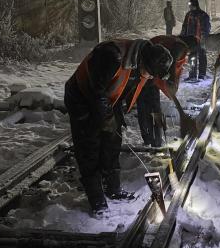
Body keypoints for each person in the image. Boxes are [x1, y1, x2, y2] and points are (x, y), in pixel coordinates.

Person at [64, 39, 173, 215]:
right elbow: (96, 93)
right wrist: (106, 118)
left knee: (113, 143)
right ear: (143, 62)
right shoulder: (111, 56)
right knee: (89, 146)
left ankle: (113, 188)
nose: (150, 77)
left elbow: (150, 97)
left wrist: (157, 116)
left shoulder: (143, 64)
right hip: (82, 98)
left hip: (108, 99)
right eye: (150, 74)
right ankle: (97, 200)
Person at [136, 35, 199, 145]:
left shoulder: (172, 40)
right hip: (149, 71)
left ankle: (148, 139)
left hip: (143, 68)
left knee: (143, 105)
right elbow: (173, 60)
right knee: (154, 107)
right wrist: (171, 79)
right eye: (188, 53)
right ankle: (156, 142)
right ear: (189, 48)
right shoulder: (181, 46)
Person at [181, 0, 211, 80]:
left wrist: (204, 38)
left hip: (200, 40)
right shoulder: (189, 15)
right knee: (192, 57)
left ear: (195, 5)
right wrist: (182, 38)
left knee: (201, 57)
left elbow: (206, 28)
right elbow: (184, 27)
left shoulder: (202, 15)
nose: (190, 7)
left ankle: (201, 74)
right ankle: (193, 75)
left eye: (191, 5)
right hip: (191, 41)